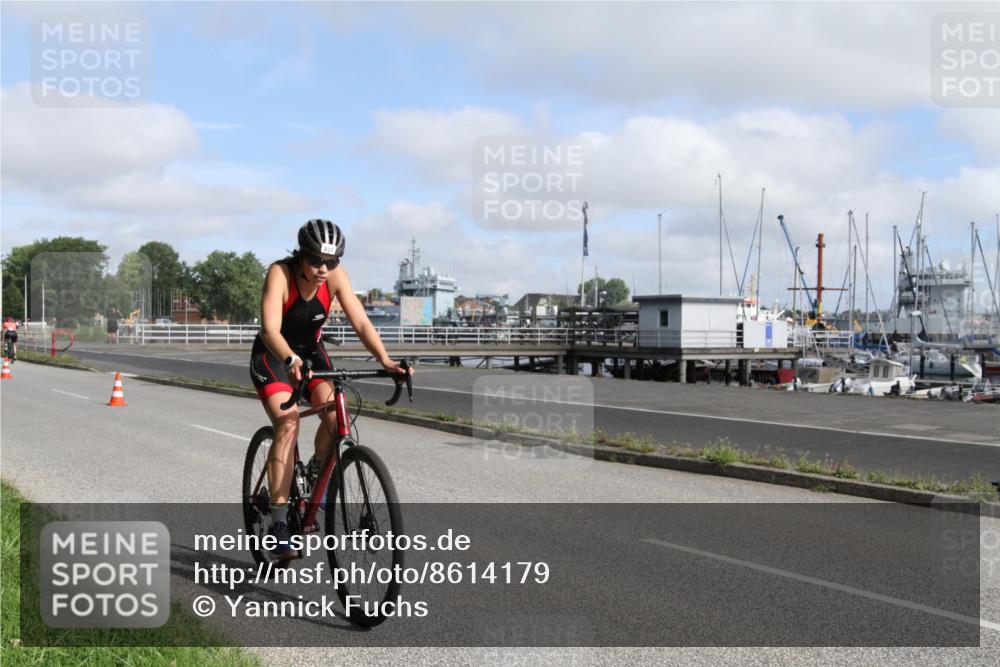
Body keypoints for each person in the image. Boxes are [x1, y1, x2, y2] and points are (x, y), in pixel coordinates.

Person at [249, 219, 409, 559]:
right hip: (275, 355)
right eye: (317, 261)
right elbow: (269, 330)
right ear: (302, 256)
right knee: (288, 422)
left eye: (332, 262)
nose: (324, 269)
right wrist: (290, 359)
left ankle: (313, 472)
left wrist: (385, 359)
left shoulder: (335, 277)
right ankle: (279, 525)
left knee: (338, 419)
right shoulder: (281, 273)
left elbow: (362, 321)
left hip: (310, 353)